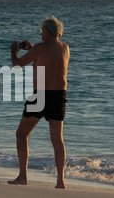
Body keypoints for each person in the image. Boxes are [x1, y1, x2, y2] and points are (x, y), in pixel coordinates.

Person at [8, 16, 70, 188]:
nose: (41, 34)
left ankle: (22, 176)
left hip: (41, 96)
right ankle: (60, 181)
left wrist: (14, 51)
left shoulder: (40, 48)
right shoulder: (65, 48)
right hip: (59, 96)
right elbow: (47, 59)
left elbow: (17, 64)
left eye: (41, 31)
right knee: (57, 140)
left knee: (21, 134)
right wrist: (34, 49)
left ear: (47, 31)